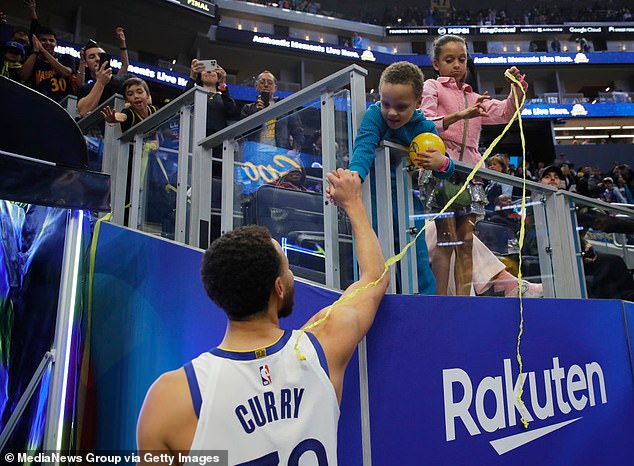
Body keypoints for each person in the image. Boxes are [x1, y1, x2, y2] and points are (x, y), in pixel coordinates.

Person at [136, 169, 388, 462]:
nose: (291, 274)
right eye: (287, 267)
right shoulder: (320, 348)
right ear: (279, 288)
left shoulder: (168, 397)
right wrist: (354, 203)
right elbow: (375, 277)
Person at [419, 34, 527, 295]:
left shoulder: (474, 97)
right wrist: (461, 114)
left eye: (461, 59)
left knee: (466, 240)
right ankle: (442, 300)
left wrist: (517, 90)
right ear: (436, 64)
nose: (457, 65)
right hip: (441, 167)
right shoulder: (432, 86)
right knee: (445, 240)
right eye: (449, 60)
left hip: (471, 174)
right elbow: (425, 121)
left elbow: (504, 112)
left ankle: (466, 301)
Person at [348, 61, 455, 295]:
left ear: (418, 103)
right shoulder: (375, 115)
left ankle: (424, 305)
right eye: (386, 103)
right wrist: (354, 177)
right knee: (373, 254)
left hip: (406, 201)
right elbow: (364, 145)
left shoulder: (425, 127)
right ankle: (370, 300)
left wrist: (441, 162)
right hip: (373, 197)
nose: (392, 112)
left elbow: (446, 165)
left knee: (415, 255)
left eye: (401, 106)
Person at [540, 165, 634, 300]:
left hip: (575, 257)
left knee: (613, 262)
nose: (553, 180)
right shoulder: (534, 208)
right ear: (539, 182)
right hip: (550, 262)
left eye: (556, 177)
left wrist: (582, 247)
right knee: (608, 266)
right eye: (547, 177)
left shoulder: (569, 205)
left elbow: (601, 221)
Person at [240, 70, 305, 152]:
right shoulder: (248, 109)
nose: (266, 85)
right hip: (255, 155)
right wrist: (256, 113)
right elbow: (243, 134)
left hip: (279, 154)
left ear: (275, 88)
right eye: (262, 82)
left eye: (270, 83)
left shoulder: (285, 107)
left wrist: (296, 149)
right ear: (256, 86)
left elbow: (298, 131)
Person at [77, 37, 132, 117]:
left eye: (101, 56)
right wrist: (101, 82)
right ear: (85, 63)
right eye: (92, 57)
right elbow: (84, 111)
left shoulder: (126, 80)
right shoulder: (85, 89)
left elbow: (146, 99)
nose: (97, 59)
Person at [17, 27, 75, 102]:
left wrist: (43, 51)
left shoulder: (65, 57)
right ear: (37, 42)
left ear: (56, 43)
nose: (48, 43)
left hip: (62, 105)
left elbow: (66, 72)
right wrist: (35, 52)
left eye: (51, 41)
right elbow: (23, 76)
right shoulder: (32, 60)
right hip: (39, 104)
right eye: (43, 40)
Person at [185, 59, 238, 137]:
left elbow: (232, 111)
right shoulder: (194, 95)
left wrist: (222, 83)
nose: (209, 72)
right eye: (205, 70)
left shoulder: (223, 96)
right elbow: (184, 103)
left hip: (218, 140)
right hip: (195, 137)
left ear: (218, 76)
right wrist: (192, 77)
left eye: (213, 70)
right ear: (200, 76)